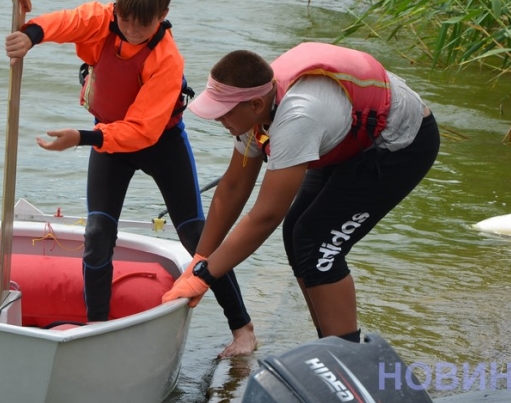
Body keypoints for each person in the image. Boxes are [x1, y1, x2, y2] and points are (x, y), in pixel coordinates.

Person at [4, 0, 256, 357]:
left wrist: (81, 139)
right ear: (116, 8)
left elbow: (142, 131)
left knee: (197, 236)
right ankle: (97, 328)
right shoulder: (101, 19)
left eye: (145, 24)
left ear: (163, 14)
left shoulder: (167, 60)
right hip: (107, 136)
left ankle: (242, 330)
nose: (134, 30)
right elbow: (66, 22)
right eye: (126, 20)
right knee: (97, 234)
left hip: (161, 143)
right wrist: (30, 35)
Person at [162, 42, 439, 343]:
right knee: (297, 232)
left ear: (255, 105)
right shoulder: (254, 109)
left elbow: (266, 215)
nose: (219, 120)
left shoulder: (296, 119)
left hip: (398, 143)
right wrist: (199, 259)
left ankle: (345, 355)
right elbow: (233, 187)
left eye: (224, 113)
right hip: (347, 135)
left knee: (317, 243)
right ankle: (329, 342)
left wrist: (204, 277)